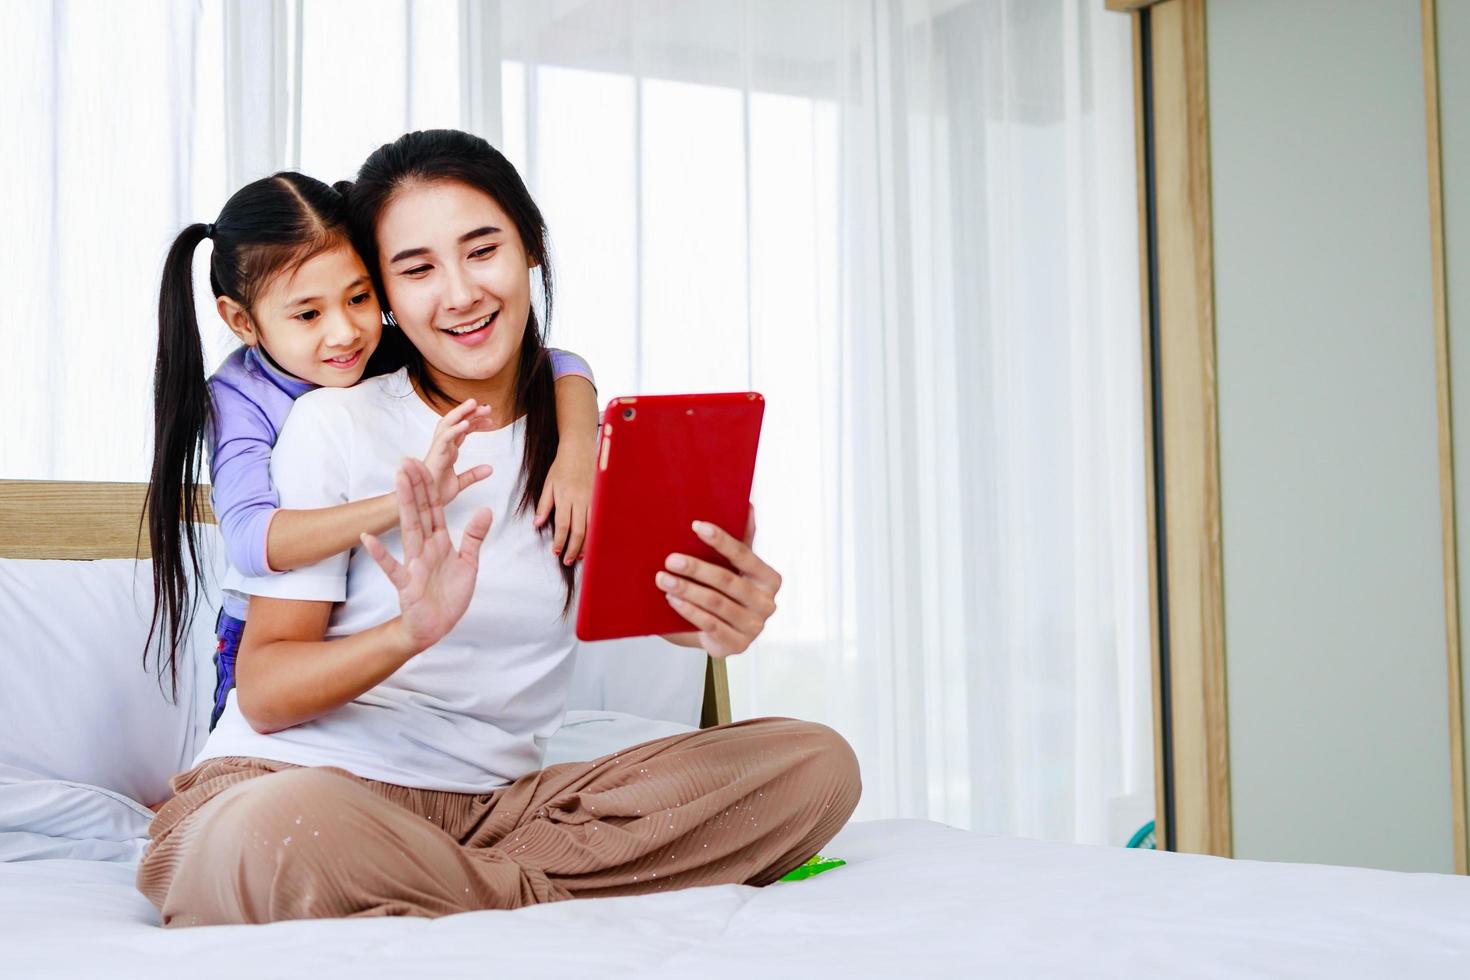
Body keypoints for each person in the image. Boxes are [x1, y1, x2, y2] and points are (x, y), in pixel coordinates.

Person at [136, 130, 860, 926]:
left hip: (501, 811)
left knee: (815, 764)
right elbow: (265, 692)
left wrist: (723, 617)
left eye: (482, 251)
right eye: (417, 270)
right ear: (385, 293)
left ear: (531, 251)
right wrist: (407, 634)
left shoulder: (590, 449)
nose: (459, 294)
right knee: (264, 833)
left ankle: (455, 893)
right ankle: (532, 900)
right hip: (304, 788)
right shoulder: (333, 424)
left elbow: (665, 611)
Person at [144, 171, 599, 729]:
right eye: (308, 314)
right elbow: (250, 540)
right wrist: (401, 501)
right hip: (262, 640)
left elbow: (557, 363)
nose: (345, 332)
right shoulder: (238, 398)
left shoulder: (377, 349)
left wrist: (578, 448)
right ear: (242, 321)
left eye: (359, 297)